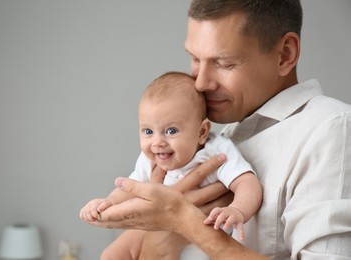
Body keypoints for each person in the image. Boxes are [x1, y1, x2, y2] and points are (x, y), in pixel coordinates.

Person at [87, 0, 351, 259]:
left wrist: (184, 221)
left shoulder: (330, 128)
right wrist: (162, 231)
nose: (200, 83)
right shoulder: (214, 139)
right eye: (194, 59)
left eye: (224, 63)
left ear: (285, 54)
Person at [80, 72, 262, 259]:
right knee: (110, 255)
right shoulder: (149, 160)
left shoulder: (215, 150)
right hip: (159, 226)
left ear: (202, 131)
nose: (157, 142)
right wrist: (106, 203)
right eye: (148, 131)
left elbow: (247, 182)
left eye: (171, 131)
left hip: (202, 237)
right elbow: (129, 190)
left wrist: (238, 209)